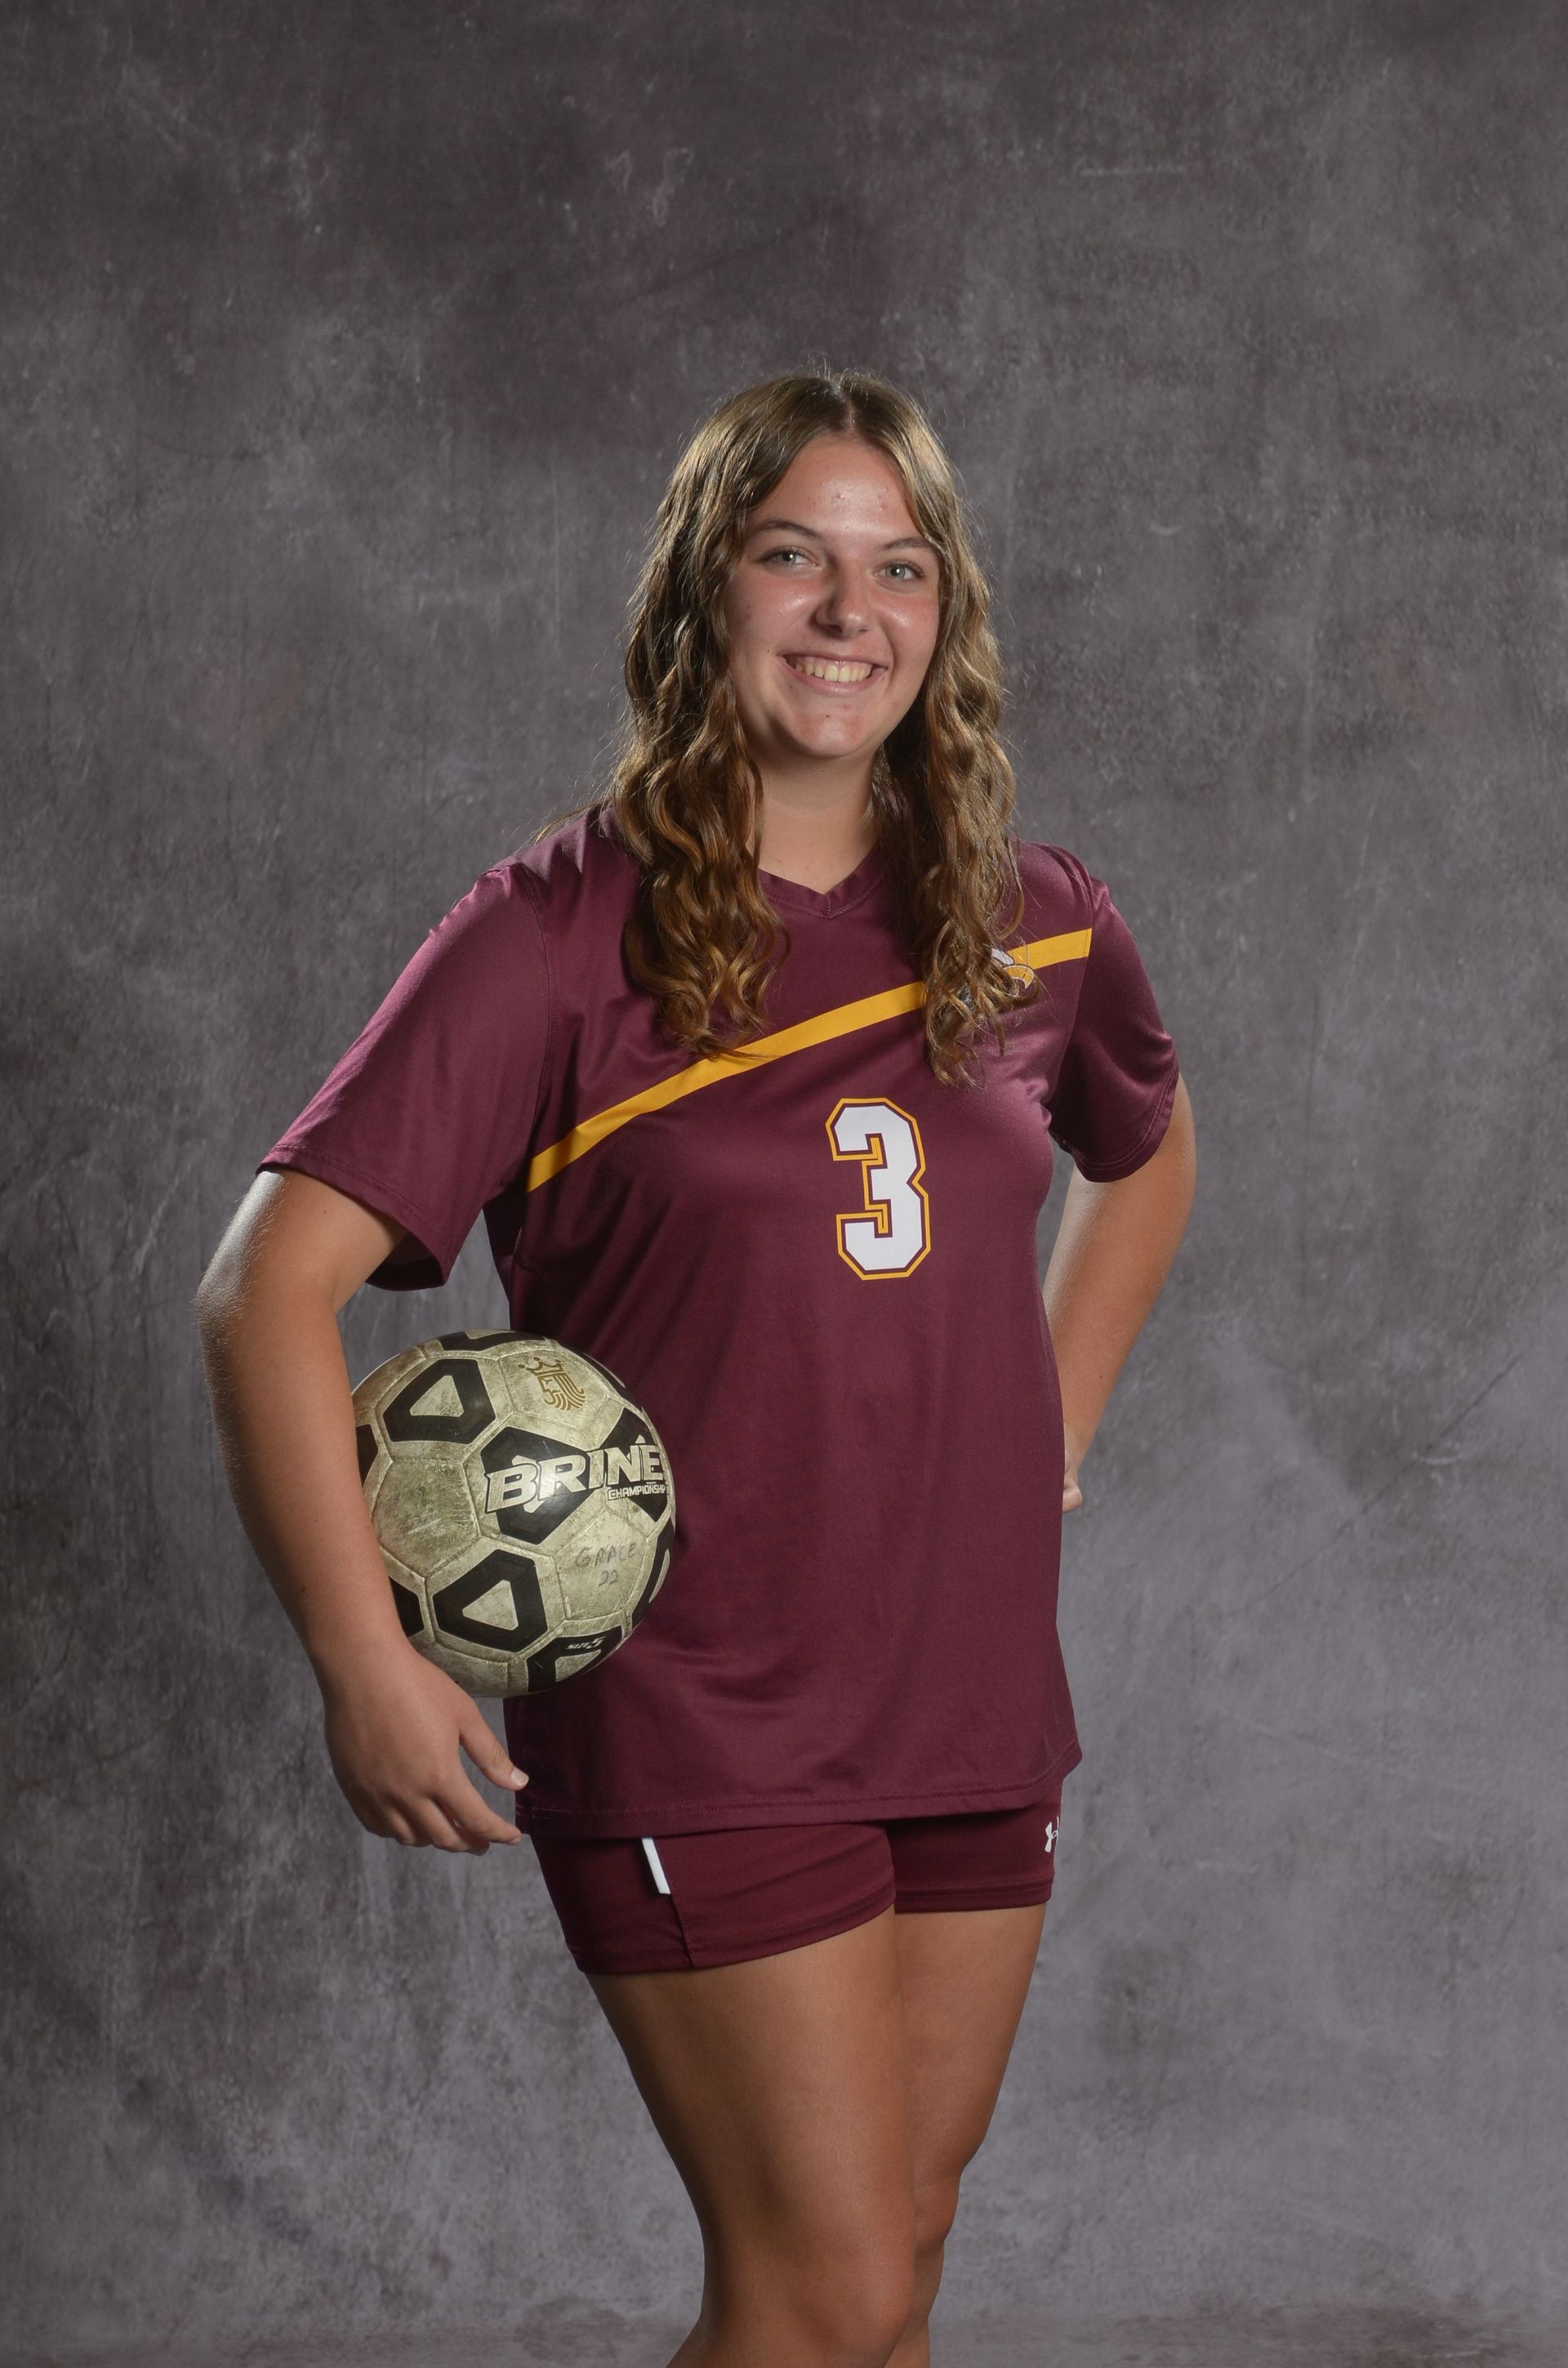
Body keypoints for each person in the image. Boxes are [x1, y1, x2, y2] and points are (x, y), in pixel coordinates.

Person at [195, 368, 1196, 2368]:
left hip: (973, 1690)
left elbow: (1148, 1154)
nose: (849, 610)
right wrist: (363, 1659)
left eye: (897, 567)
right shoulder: (557, 936)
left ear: (947, 616)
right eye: (793, 557)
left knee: (894, 2266)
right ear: (702, 592)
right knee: (815, 2295)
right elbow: (263, 1292)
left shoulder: (1037, 920)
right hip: (705, 1711)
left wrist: (1054, 1428)